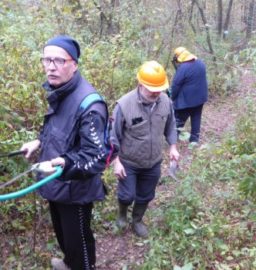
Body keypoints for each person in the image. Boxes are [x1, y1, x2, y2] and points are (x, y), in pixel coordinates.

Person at [20, 35, 109, 270]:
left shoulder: (90, 104)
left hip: (76, 190)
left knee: (78, 241)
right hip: (56, 182)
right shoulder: (60, 91)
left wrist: (64, 164)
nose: (51, 66)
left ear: (74, 64)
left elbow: (97, 157)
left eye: (59, 60)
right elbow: (58, 130)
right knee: (63, 236)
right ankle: (70, 263)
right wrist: (38, 142)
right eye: (46, 60)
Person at [110, 61, 180, 238]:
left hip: (153, 161)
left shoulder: (165, 102)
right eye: (152, 89)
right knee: (127, 195)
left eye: (159, 89)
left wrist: (173, 147)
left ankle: (137, 220)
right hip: (129, 162)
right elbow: (112, 136)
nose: (156, 93)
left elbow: (171, 125)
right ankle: (121, 215)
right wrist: (116, 162)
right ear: (140, 84)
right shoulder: (124, 105)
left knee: (146, 194)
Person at [170, 47, 208, 143]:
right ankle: (194, 141)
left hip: (186, 102)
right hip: (200, 99)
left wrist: (172, 98)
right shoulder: (201, 63)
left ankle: (172, 141)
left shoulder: (183, 68)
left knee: (178, 121)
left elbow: (175, 85)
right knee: (196, 118)